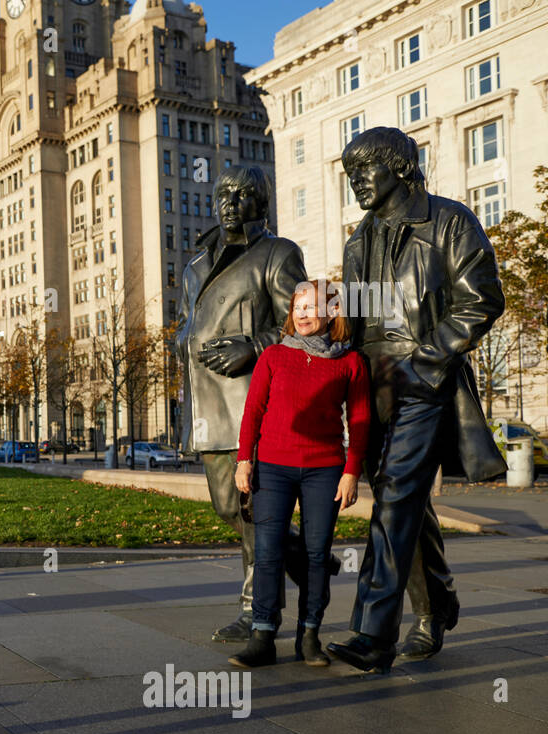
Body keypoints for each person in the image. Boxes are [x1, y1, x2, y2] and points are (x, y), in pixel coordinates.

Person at [327, 127, 505, 673]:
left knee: (397, 498)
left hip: (426, 379)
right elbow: (354, 323)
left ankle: (372, 635)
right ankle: (438, 603)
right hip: (372, 383)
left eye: (365, 170)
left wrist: (424, 362)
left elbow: (481, 300)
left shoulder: (449, 222)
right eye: (349, 173)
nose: (355, 181)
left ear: (400, 168)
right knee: (403, 501)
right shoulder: (359, 240)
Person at [174, 164, 318, 643]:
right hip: (205, 404)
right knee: (228, 508)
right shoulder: (196, 265)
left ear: (260, 203)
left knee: (253, 510)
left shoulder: (276, 254)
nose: (229, 204)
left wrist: (253, 347)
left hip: (251, 404)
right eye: (223, 194)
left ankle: (257, 607)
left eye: (241, 195)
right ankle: (310, 562)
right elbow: (187, 321)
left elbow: (298, 322)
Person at [231, 279, 371, 667]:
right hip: (272, 469)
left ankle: (309, 635)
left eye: (312, 306)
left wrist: (351, 472)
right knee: (268, 552)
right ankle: (262, 636)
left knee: (315, 554)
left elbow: (359, 421)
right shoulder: (274, 356)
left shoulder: (350, 362)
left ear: (331, 312)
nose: (304, 313)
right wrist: (245, 460)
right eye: (299, 307)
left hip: (324, 470)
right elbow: (253, 411)